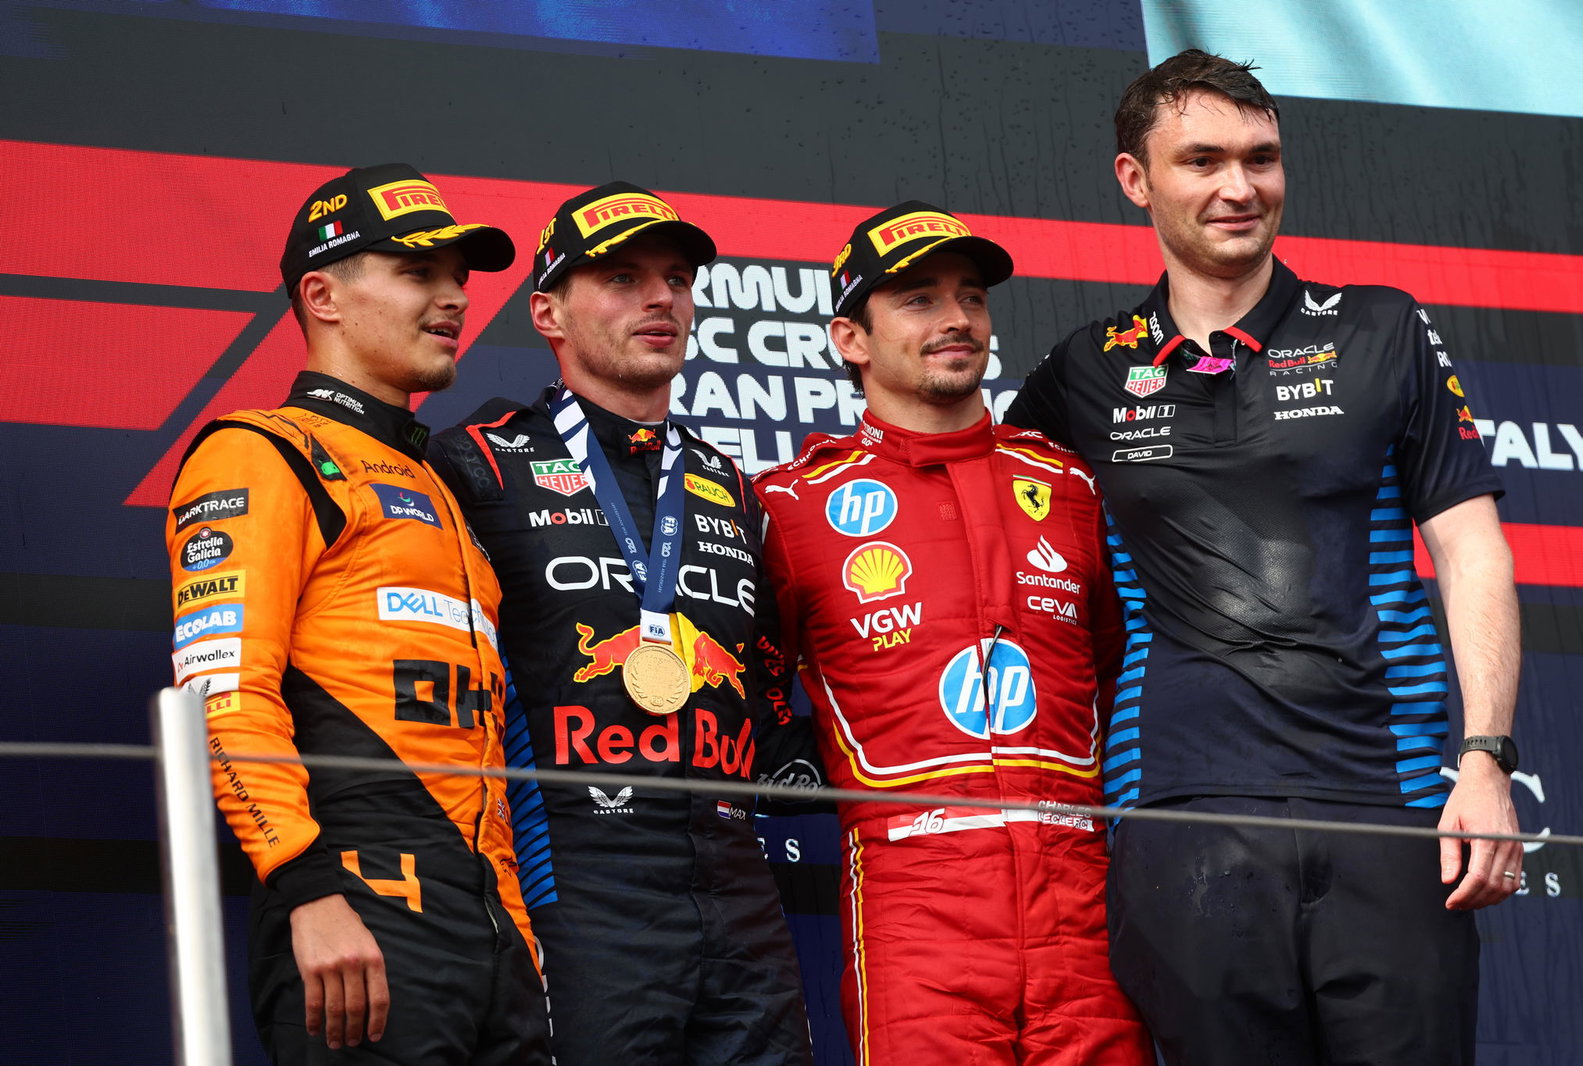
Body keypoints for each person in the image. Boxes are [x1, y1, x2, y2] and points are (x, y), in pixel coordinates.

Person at [1006, 50, 1522, 1065]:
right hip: (1183, 811)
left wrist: (1486, 758)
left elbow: (1472, 553)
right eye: (1202, 160)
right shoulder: (1082, 370)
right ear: (1134, 179)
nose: (1239, 188)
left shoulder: (1380, 326)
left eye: (1261, 158)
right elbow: (982, 524)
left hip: (1392, 801)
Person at [754, 201, 1154, 1065]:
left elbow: (1128, 675)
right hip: (912, 893)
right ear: (849, 338)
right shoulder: (791, 505)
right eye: (918, 300)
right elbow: (748, 689)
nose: (957, 320)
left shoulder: (1073, 486)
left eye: (971, 297)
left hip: (1081, 891)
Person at [427, 182, 817, 1066]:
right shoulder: (476, 463)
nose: (660, 299)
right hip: (576, 876)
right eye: (622, 278)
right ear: (547, 312)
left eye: (677, 279)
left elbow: (766, 680)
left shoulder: (732, 485)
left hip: (735, 878)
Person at [165, 163, 548, 1062]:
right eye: (418, 273)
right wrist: (303, 888)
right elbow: (224, 691)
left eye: (459, 276)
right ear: (322, 296)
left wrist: (517, 935)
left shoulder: (442, 486)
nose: (454, 297)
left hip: (491, 927)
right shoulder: (261, 452)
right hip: (357, 915)